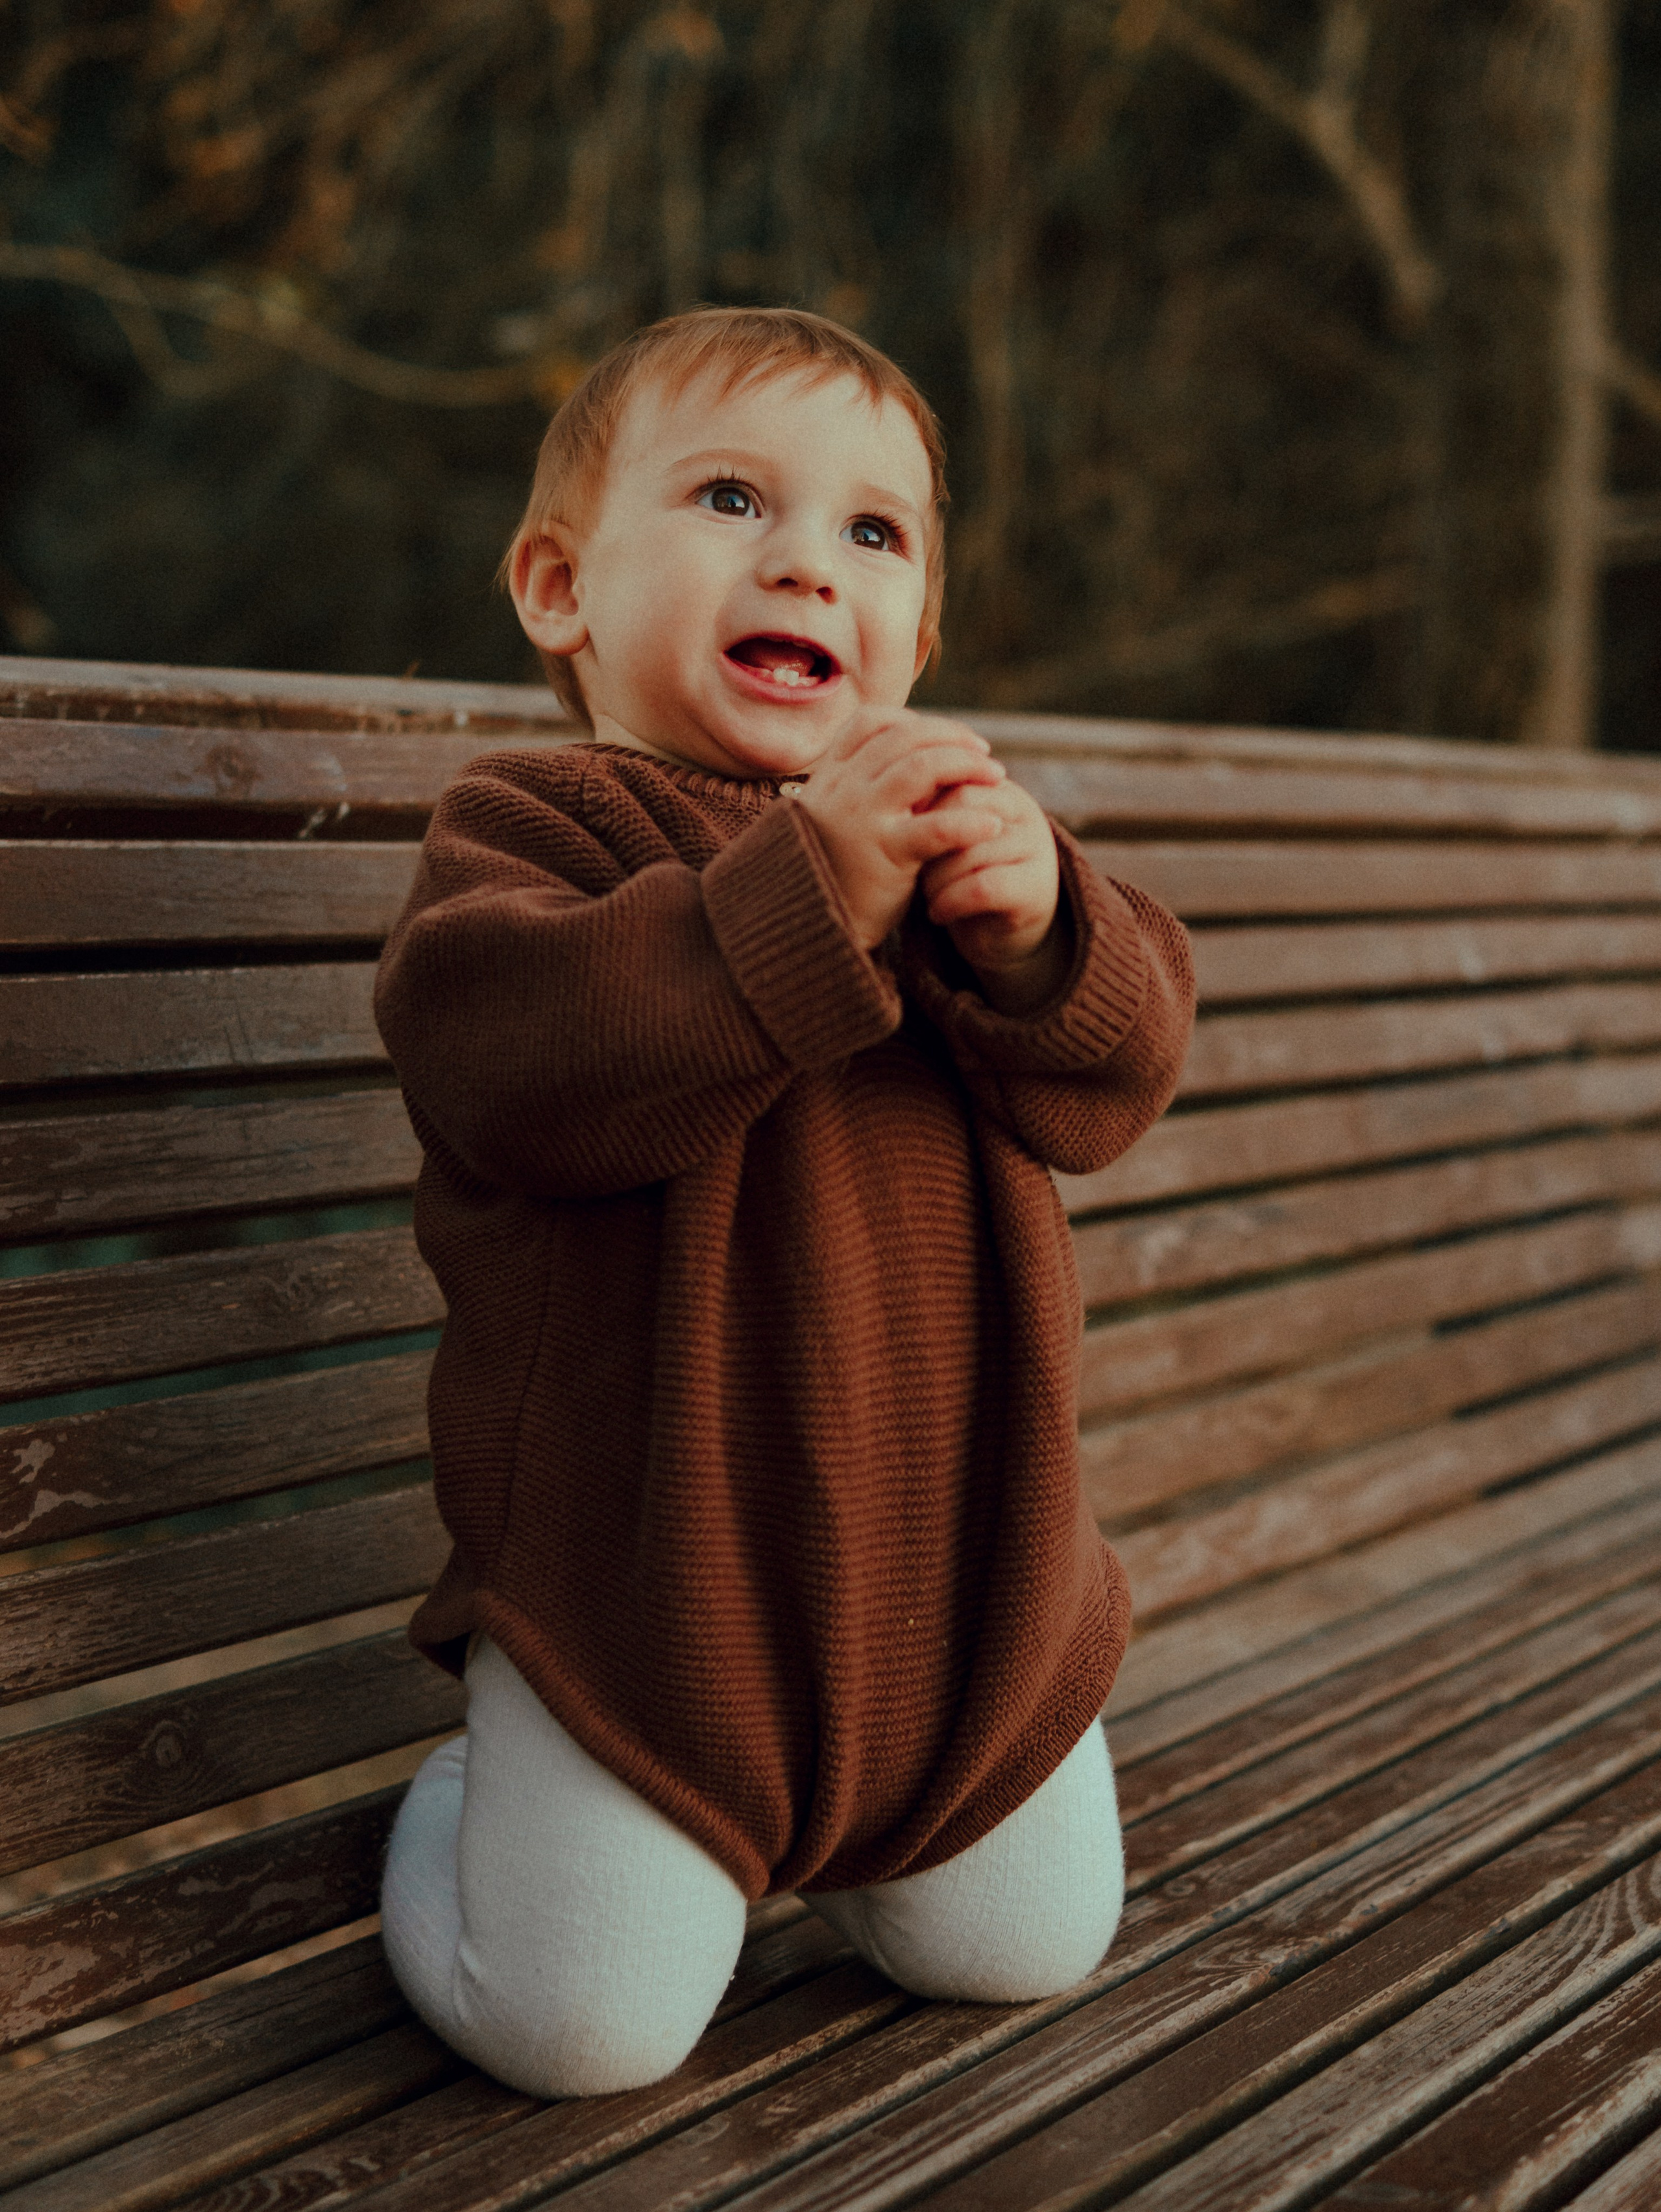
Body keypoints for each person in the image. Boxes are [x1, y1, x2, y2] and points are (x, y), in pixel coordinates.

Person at [373, 306, 1194, 2099]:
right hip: (652, 1615)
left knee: (1023, 1951)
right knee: (581, 2036)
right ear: (558, 588)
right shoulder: (538, 828)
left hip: (963, 1600)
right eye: (735, 499)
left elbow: (1116, 1079)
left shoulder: (965, 865)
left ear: (917, 638)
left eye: (872, 534)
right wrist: (808, 881)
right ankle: (477, 1793)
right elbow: (511, 1060)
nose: (809, 564)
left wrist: (1048, 921)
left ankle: (860, 1845)